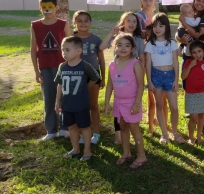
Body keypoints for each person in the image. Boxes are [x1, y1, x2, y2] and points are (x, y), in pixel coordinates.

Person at [99, 11, 145, 144]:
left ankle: (133, 129)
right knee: (118, 105)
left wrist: (141, 73)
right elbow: (101, 47)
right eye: (128, 21)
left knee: (131, 103)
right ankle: (118, 134)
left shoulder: (138, 39)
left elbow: (142, 57)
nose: (131, 23)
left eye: (134, 21)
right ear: (123, 23)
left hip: (132, 74)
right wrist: (111, 34)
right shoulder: (117, 38)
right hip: (117, 73)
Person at [30, 0, 71, 141]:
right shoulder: (35, 25)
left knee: (64, 98)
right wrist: (36, 71)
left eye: (50, 8)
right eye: (44, 8)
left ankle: (65, 127)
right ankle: (51, 130)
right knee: (49, 99)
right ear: (40, 8)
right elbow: (33, 49)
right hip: (45, 68)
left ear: (56, 8)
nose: (47, 10)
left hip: (62, 67)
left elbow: (71, 45)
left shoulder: (63, 24)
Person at [104, 33, 148, 168]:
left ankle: (141, 155)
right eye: (119, 45)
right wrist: (107, 102)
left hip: (131, 103)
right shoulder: (112, 64)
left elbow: (141, 85)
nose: (123, 48)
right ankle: (126, 153)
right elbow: (110, 85)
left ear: (133, 48)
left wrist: (136, 103)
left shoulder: (136, 64)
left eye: (127, 45)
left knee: (134, 129)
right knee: (122, 127)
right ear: (114, 47)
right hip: (118, 102)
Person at [54, 36, 100, 161]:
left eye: (67, 50)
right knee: (71, 127)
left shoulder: (85, 66)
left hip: (81, 105)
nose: (64, 53)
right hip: (67, 105)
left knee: (84, 127)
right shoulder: (62, 67)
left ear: (78, 51)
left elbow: (96, 79)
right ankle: (75, 149)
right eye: (63, 50)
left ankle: (87, 150)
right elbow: (60, 84)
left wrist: (85, 87)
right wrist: (58, 100)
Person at [146, 13, 183, 144]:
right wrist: (149, 81)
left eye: (161, 26)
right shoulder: (150, 44)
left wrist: (176, 80)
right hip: (156, 76)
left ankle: (175, 132)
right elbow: (148, 63)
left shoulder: (171, 43)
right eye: (155, 26)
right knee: (159, 105)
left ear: (166, 27)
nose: (157, 29)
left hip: (170, 76)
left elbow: (176, 61)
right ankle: (164, 133)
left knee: (174, 107)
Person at [134, 0, 167, 136]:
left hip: (156, 56)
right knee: (148, 87)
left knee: (154, 88)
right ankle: (149, 120)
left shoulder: (156, 17)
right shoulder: (138, 16)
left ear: (155, 1)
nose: (147, 2)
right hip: (143, 56)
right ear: (141, 1)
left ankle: (156, 119)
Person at [72, 11, 105, 145]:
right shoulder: (71, 39)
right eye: (79, 20)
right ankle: (82, 133)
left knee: (93, 105)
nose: (83, 23)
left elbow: (101, 59)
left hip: (93, 76)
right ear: (74, 23)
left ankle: (96, 133)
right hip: (76, 76)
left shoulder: (96, 39)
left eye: (86, 20)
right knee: (79, 106)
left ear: (91, 22)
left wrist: (103, 77)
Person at [181, 40, 204, 145]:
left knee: (201, 116)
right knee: (193, 117)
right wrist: (190, 66)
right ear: (191, 54)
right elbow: (183, 76)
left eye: (199, 51)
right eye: (194, 52)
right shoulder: (188, 62)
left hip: (203, 94)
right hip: (191, 95)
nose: (197, 54)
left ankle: (199, 136)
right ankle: (190, 137)